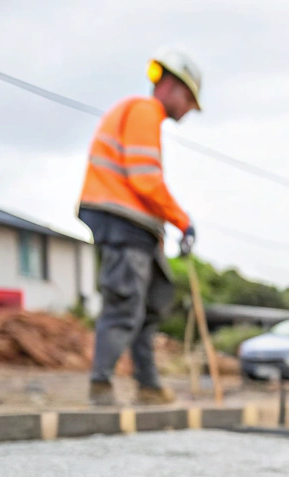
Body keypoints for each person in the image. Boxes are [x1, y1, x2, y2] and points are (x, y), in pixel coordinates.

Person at [78, 48, 202, 406]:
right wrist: (183, 220)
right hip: (121, 222)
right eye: (190, 101)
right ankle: (100, 387)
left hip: (137, 227)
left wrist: (162, 231)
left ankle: (148, 386)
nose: (189, 109)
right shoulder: (144, 111)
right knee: (124, 302)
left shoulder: (143, 116)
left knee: (152, 301)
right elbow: (145, 179)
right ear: (175, 88)